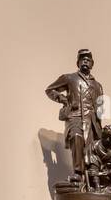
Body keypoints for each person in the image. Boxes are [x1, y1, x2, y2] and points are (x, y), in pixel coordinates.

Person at [45, 49, 105, 190]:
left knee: (91, 149)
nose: (85, 61)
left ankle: (92, 176)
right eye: (82, 58)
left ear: (92, 63)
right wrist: (66, 100)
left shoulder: (98, 85)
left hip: (92, 121)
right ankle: (78, 173)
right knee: (77, 137)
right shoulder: (69, 78)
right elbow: (50, 90)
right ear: (77, 62)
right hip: (75, 116)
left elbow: (103, 109)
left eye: (88, 59)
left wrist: (101, 118)